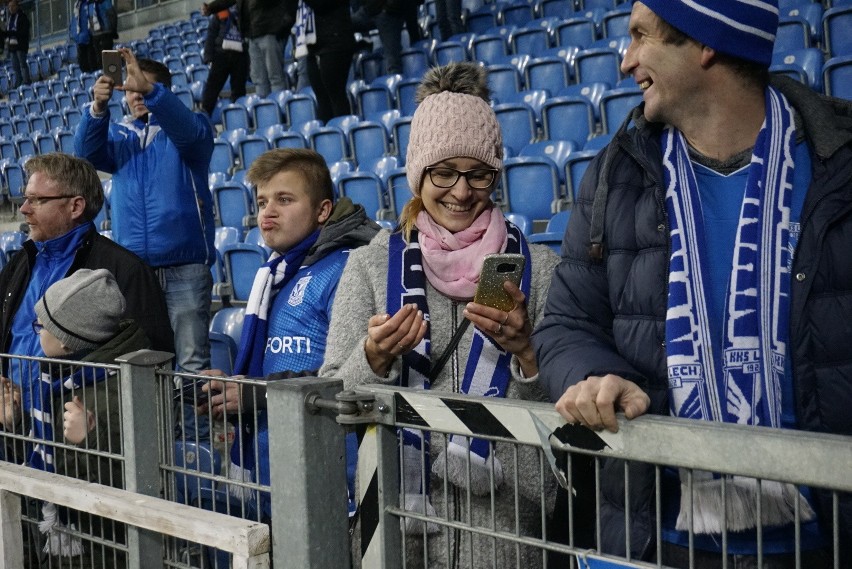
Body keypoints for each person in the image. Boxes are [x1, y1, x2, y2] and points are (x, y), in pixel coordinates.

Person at [533, 1, 852, 567]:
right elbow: (567, 322)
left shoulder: (840, 166)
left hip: (829, 539)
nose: (626, 61)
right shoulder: (616, 173)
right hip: (663, 538)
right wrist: (596, 377)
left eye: (640, 37)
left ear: (706, 44)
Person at [319, 62, 559, 568]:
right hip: (397, 527)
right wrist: (372, 358)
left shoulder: (534, 269)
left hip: (504, 532)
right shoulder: (372, 266)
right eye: (444, 172)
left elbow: (565, 411)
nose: (462, 190)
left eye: (478, 173)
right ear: (417, 174)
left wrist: (528, 357)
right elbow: (335, 400)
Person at [197, 148, 380, 521]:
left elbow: (351, 375)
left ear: (322, 210)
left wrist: (252, 393)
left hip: (331, 470)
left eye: (284, 199)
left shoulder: (346, 270)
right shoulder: (276, 274)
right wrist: (234, 386)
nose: (268, 212)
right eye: (262, 201)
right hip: (276, 462)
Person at [75, 48, 216, 376]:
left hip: (185, 269)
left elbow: (191, 133)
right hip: (135, 272)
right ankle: (158, 430)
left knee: (191, 366)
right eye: (132, 88)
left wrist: (153, 94)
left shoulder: (189, 132)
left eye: (144, 88)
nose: (136, 94)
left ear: (163, 92)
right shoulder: (119, 137)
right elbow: (85, 154)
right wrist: (97, 107)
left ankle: (195, 431)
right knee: (141, 368)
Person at [1, 269, 149, 566]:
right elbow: (47, 452)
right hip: (62, 544)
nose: (36, 333)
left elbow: (131, 482)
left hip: (103, 549)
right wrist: (15, 423)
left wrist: (89, 438)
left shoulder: (118, 389)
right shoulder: (60, 377)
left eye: (39, 327)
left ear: (67, 342)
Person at [0, 152, 172, 383]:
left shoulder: (127, 271)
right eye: (26, 198)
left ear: (76, 206)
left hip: (83, 415)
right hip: (16, 415)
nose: (24, 208)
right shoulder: (20, 261)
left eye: (37, 200)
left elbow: (149, 363)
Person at [285, 0, 355, 122]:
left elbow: (321, 5)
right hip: (313, 45)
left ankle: (342, 131)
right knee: (321, 96)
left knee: (335, 94)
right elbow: (292, 13)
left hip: (336, 41)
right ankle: (327, 137)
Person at [202, 0, 288, 98]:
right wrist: (211, 8)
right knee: (259, 79)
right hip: (251, 35)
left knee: (275, 76)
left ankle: (281, 107)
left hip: (269, 31)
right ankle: (266, 110)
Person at [200, 5, 248, 116]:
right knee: (212, 88)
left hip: (240, 55)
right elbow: (211, 35)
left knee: (239, 89)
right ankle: (205, 116)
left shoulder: (244, 11)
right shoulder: (219, 12)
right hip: (220, 55)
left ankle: (238, 116)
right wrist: (209, 57)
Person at [70, 0, 118, 74]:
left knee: (106, 64)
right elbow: (76, 23)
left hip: (102, 35)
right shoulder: (80, 5)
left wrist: (110, 32)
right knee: (90, 66)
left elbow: (110, 14)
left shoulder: (96, 3)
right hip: (88, 39)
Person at [1, 0, 30, 88]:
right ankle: (18, 82)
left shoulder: (22, 17)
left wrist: (12, 33)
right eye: (9, 7)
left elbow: (23, 32)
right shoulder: (10, 18)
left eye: (12, 6)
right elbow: (8, 32)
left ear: (17, 6)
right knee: (15, 67)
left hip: (20, 46)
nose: (11, 8)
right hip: (12, 47)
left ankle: (26, 81)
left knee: (22, 65)